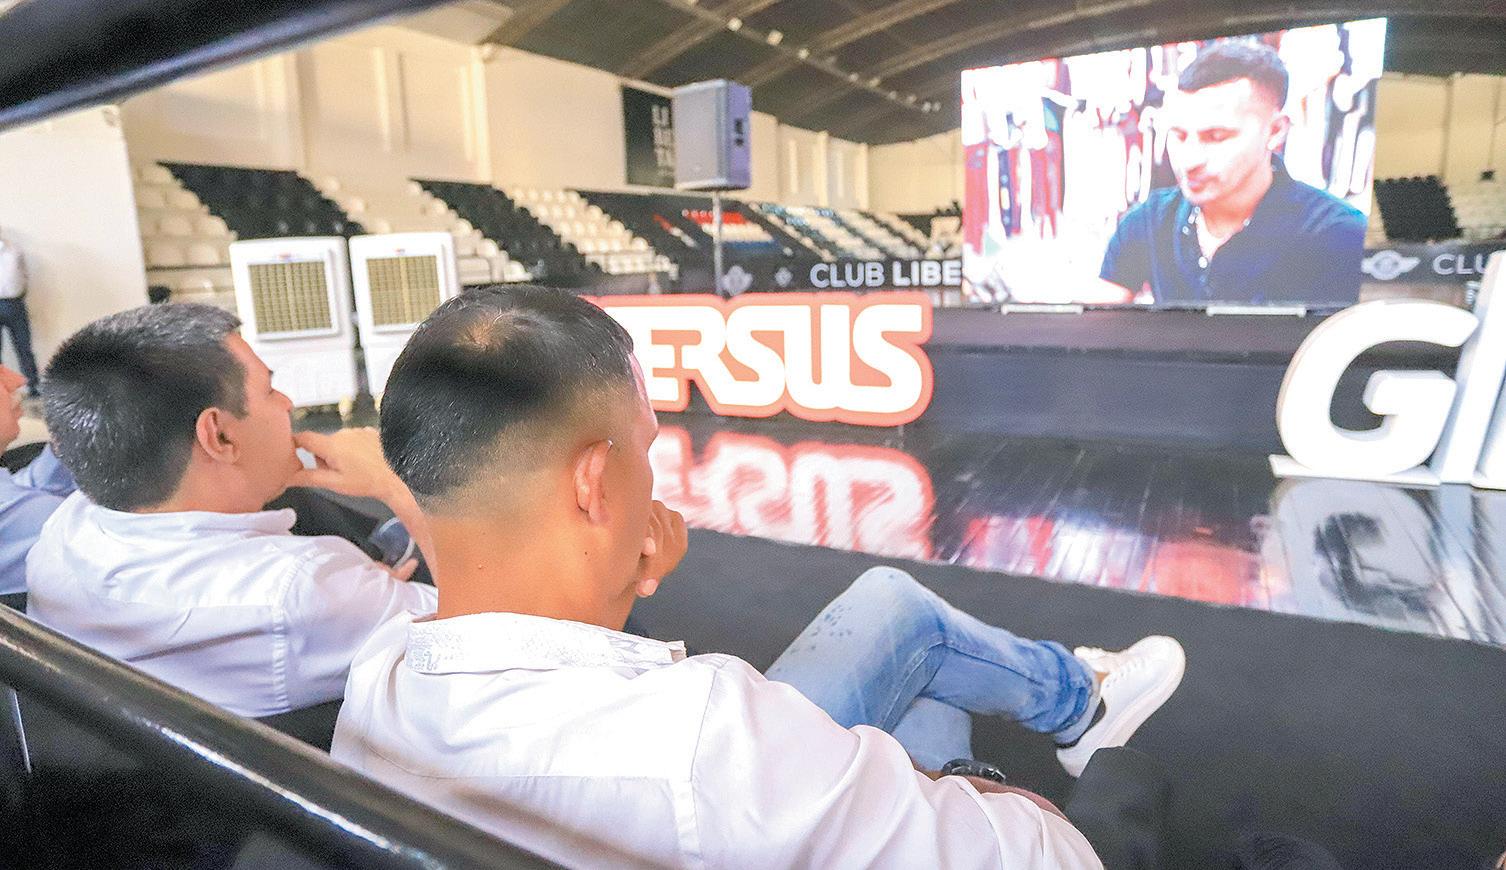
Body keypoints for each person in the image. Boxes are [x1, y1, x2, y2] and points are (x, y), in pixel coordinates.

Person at [332, 285, 1186, 868]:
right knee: (918, 672)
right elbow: (1058, 857)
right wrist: (966, 787)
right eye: (645, 448)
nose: (652, 477)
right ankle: (1084, 711)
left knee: (905, 644)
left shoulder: (379, 673)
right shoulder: (709, 736)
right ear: (592, 483)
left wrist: (613, 578)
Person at [27, 303, 437, 718]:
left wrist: (355, 594)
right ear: (219, 435)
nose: (287, 403)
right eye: (270, 391)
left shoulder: (64, 529)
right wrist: (397, 485)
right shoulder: (299, 589)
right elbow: (474, 635)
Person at [1098, 41, 1366, 306]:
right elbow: (1097, 317)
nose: (1189, 160)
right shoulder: (1150, 220)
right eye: (1178, 136)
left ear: (1275, 131)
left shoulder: (1338, 236)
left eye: (1216, 137)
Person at [0, 363, 74, 599]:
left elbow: (24, 489)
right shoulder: (58, 527)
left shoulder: (12, 503)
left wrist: (67, 441)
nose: (18, 380)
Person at [0, 230, 40, 395]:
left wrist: (20, 293)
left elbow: (24, 275)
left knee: (24, 347)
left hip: (15, 304)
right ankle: (3, 392)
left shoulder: (14, 251)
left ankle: (34, 386)